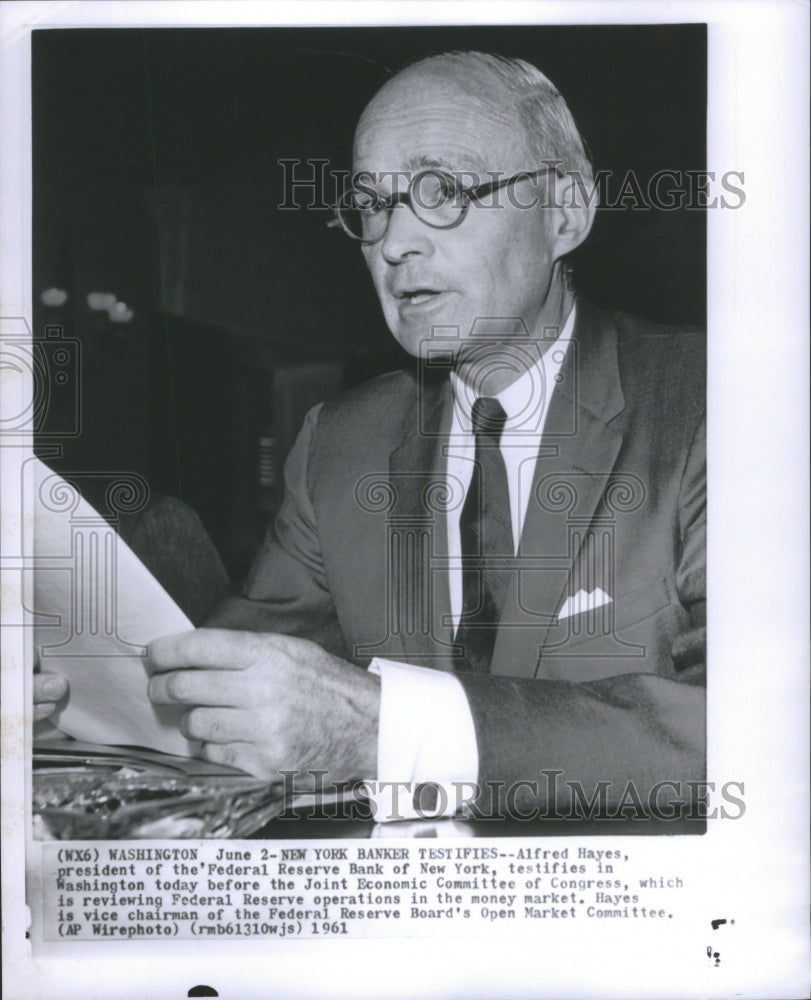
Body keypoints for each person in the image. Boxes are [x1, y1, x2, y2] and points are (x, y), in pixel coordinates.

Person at [36, 51, 705, 822]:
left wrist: (387, 731)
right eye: (372, 206)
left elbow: (756, 731)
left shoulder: (710, 405)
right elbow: (217, 699)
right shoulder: (341, 445)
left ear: (565, 212)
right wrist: (66, 706)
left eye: (441, 192)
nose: (393, 243)